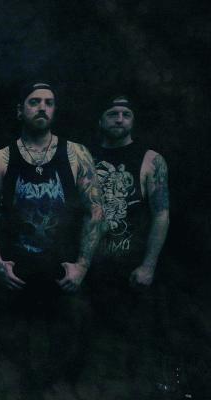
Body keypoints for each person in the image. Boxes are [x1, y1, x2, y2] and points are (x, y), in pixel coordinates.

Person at [0, 80, 102, 398]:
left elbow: (96, 211)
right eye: (34, 102)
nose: (42, 108)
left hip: (64, 271)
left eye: (48, 102)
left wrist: (83, 265)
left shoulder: (76, 154)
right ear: (20, 110)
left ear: (55, 109)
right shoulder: (2, 159)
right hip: (17, 272)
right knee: (17, 355)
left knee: (66, 348)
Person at [87, 95, 170, 395]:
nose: (120, 119)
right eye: (113, 113)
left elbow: (161, 214)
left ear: (133, 120)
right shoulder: (84, 157)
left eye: (126, 114)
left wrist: (149, 265)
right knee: (90, 349)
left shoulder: (150, 159)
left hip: (132, 271)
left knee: (136, 350)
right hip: (91, 269)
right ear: (101, 120)